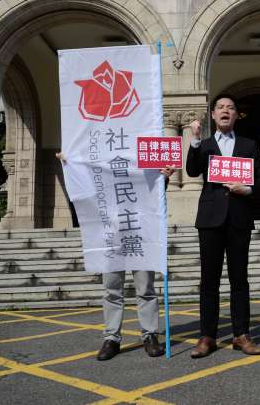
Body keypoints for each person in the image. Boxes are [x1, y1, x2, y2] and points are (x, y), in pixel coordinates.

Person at [57, 151, 173, 360]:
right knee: (111, 289)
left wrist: (162, 177)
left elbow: (153, 192)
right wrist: (70, 163)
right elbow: (85, 186)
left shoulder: (137, 153)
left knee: (145, 288)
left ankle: (150, 335)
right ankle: (111, 337)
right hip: (109, 234)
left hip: (139, 232)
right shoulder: (99, 155)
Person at [185, 94, 260, 358]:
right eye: (220, 107)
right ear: (214, 115)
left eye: (231, 107)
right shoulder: (204, 144)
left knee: (239, 279)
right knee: (209, 280)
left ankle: (242, 334)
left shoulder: (249, 144)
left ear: (236, 114)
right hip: (210, 219)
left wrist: (247, 189)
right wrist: (193, 139)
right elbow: (193, 171)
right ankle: (207, 336)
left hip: (239, 218)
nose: (225, 111)